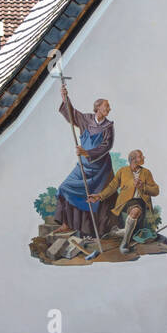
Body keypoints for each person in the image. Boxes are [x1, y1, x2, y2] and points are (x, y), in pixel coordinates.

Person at [53, 91, 115, 238]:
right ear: (98, 107)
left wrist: (88, 153)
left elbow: (107, 146)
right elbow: (72, 114)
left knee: (90, 197)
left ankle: (87, 230)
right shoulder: (86, 119)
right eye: (107, 106)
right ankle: (66, 224)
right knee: (64, 187)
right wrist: (65, 98)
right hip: (83, 166)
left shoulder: (108, 126)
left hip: (99, 169)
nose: (109, 109)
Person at [88, 149, 165, 254]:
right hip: (125, 202)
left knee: (133, 230)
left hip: (141, 202)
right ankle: (124, 243)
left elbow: (156, 191)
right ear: (134, 160)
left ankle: (115, 233)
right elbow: (112, 186)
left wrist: (143, 186)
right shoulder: (122, 171)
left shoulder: (146, 173)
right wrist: (99, 196)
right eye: (141, 156)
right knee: (135, 211)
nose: (143, 158)